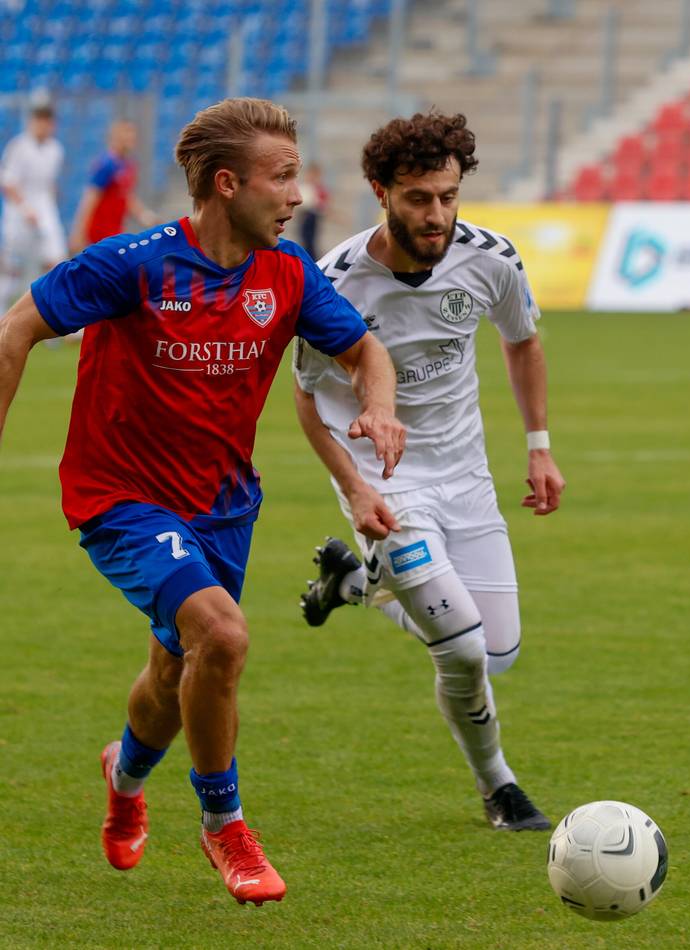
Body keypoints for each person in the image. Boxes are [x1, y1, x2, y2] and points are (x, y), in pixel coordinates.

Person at [0, 97, 405, 905]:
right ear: (228, 185)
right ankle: (226, 826)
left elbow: (365, 349)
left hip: (222, 507)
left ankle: (128, 773)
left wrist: (380, 405)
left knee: (175, 669)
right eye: (282, 178)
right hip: (119, 497)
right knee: (221, 634)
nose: (297, 196)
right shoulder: (134, 264)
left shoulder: (285, 276)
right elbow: (15, 330)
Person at [294, 112, 565, 831]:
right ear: (380, 191)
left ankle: (355, 583)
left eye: (447, 196)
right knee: (466, 651)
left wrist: (538, 444)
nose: (437, 213)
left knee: (499, 650)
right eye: (418, 197)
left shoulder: (491, 258)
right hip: (385, 481)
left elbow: (524, 341)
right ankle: (500, 789)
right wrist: (354, 487)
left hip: (466, 474)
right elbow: (305, 397)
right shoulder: (336, 282)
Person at [0, 102, 66, 308]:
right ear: (32, 122)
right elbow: (8, 183)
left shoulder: (56, 149)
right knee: (12, 268)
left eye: (47, 121)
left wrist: (51, 202)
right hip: (19, 213)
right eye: (39, 121)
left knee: (56, 260)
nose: (43, 126)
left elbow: (49, 184)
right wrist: (25, 208)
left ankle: (55, 316)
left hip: (45, 210)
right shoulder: (18, 147)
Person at [68, 119, 157, 253]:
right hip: (98, 235)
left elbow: (127, 197)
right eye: (126, 134)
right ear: (115, 137)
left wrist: (145, 216)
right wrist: (78, 232)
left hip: (115, 233)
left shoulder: (129, 165)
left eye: (132, 135)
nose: (130, 138)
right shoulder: (106, 164)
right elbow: (90, 198)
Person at [297, 162, 330, 260]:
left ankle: (311, 260)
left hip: (312, 216)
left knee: (310, 241)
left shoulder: (319, 189)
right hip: (304, 216)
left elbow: (323, 205)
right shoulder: (304, 187)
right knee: (304, 239)